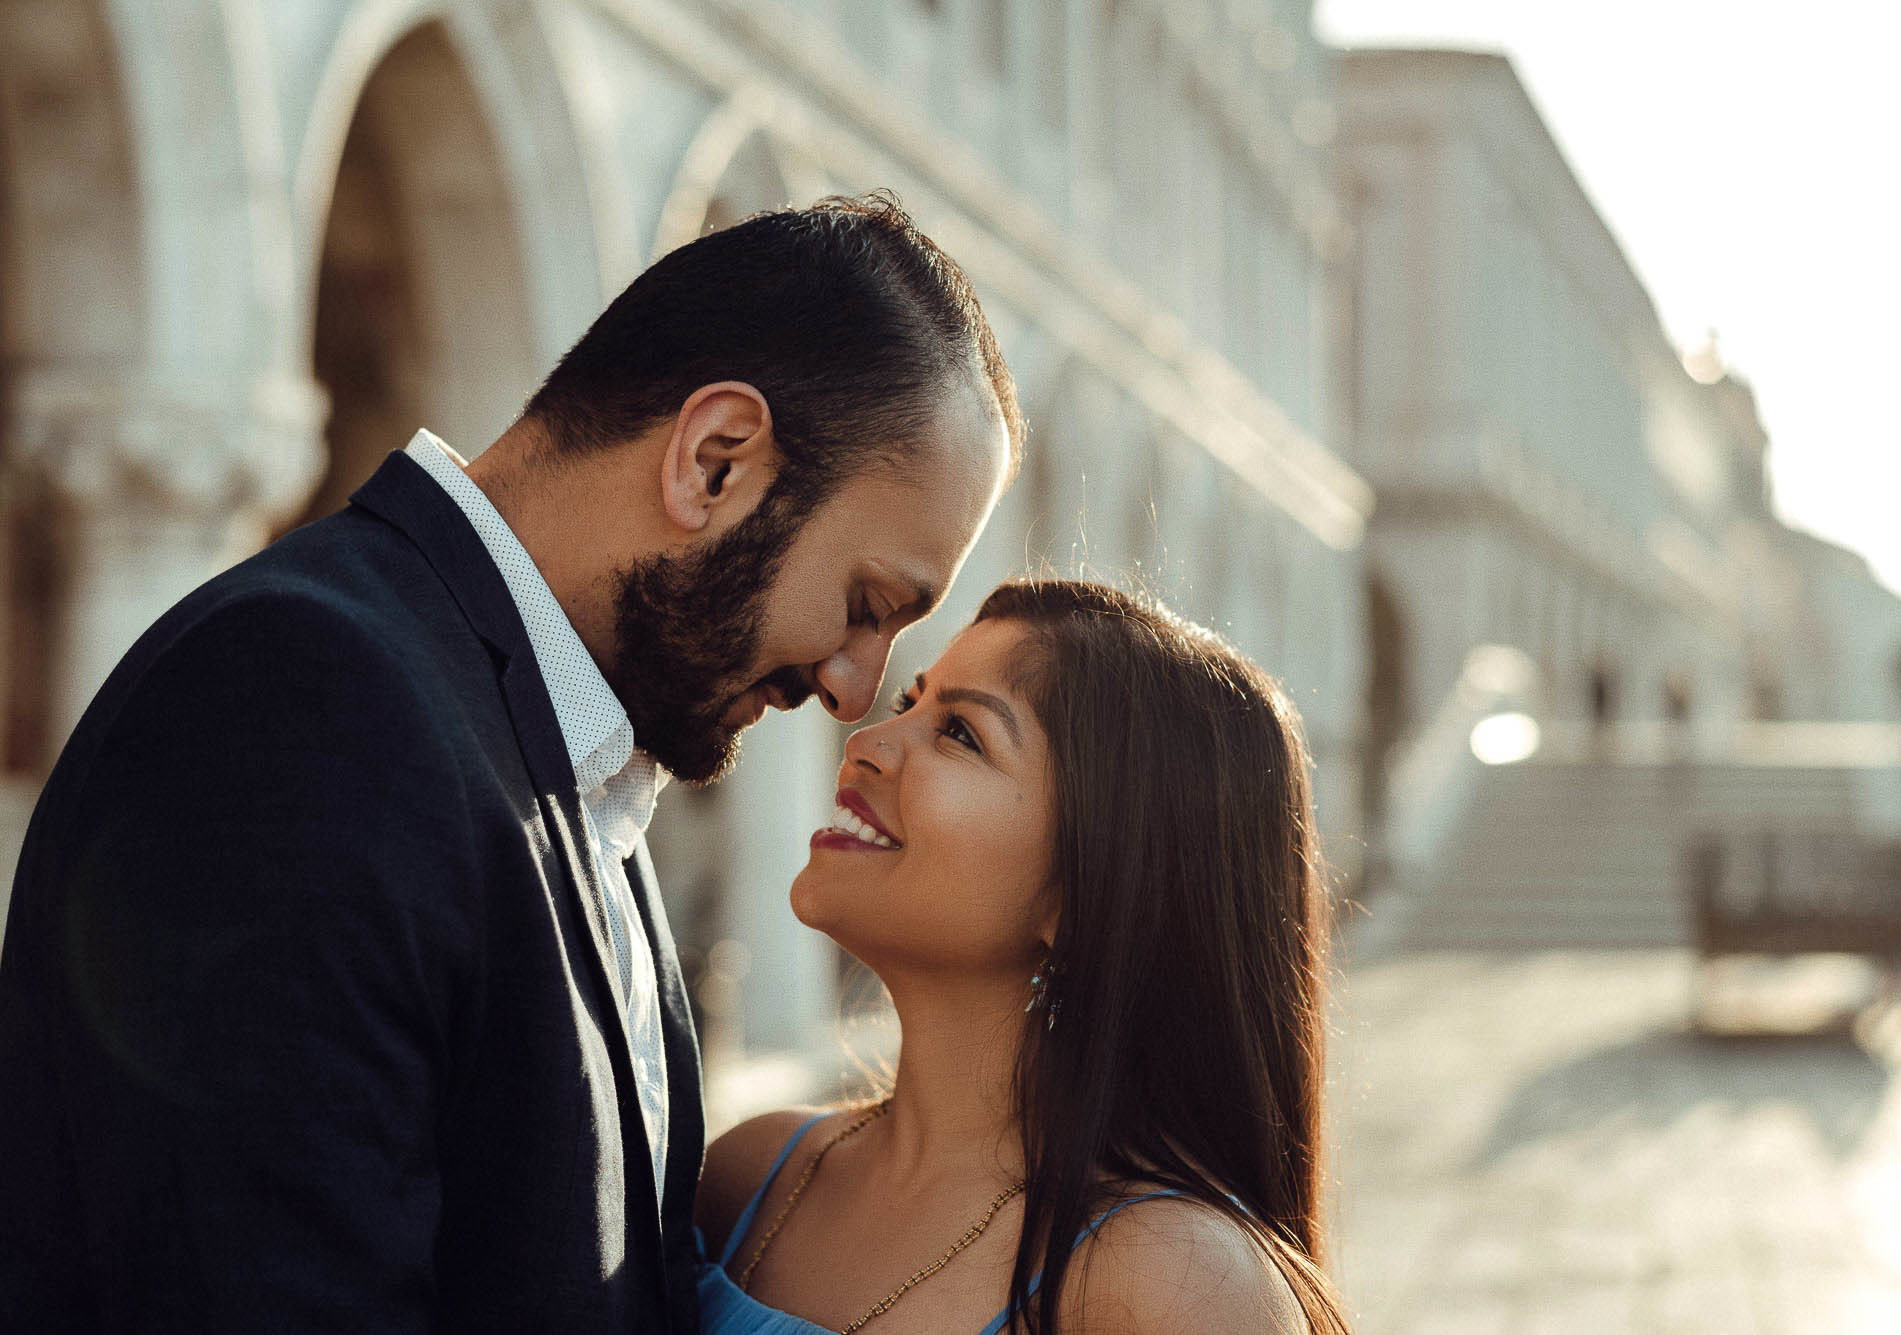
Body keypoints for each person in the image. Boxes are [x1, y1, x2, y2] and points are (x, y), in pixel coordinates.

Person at [0, 193, 1019, 1332]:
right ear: (716, 460)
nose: (852, 688)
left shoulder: (566, 761)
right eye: (868, 604)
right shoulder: (305, 697)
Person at [695, 580, 1351, 1334]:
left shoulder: (1176, 1281)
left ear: (1085, 892)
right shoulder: (750, 1177)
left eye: (960, 733)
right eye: (911, 702)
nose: (867, 743)